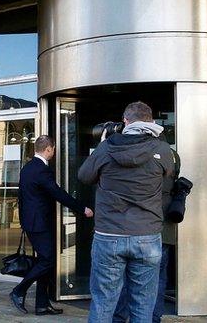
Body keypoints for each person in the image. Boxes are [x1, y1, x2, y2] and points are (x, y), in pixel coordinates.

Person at [78, 101, 176, 323]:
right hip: (147, 236)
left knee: (103, 302)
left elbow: (84, 176)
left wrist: (103, 144)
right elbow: (168, 175)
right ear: (151, 121)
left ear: (125, 121)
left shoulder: (107, 147)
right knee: (143, 304)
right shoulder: (162, 149)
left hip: (109, 235)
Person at [9, 135, 93, 316]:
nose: (53, 153)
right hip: (39, 223)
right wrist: (82, 208)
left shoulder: (27, 168)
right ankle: (19, 290)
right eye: (53, 149)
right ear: (49, 149)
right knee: (47, 260)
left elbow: (22, 197)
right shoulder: (41, 170)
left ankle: (42, 304)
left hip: (32, 222)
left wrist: (24, 221)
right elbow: (58, 193)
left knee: (44, 261)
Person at [112, 144, 180, 323]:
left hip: (141, 225)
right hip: (164, 227)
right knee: (158, 277)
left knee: (129, 274)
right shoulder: (173, 156)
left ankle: (120, 317)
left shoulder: (138, 154)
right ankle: (153, 317)